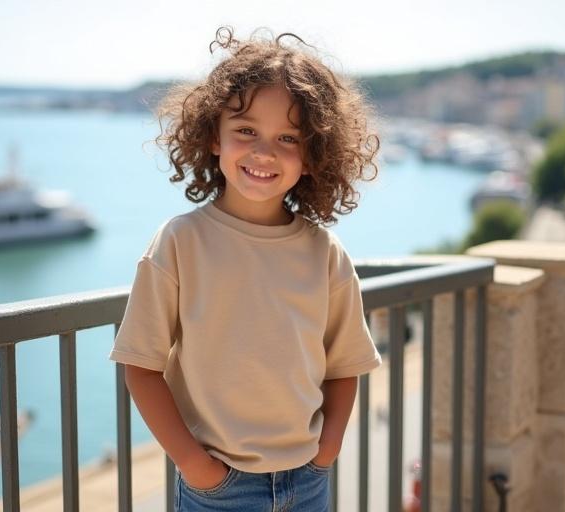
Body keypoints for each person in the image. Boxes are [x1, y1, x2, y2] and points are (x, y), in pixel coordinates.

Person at [108, 26, 382, 511]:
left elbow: (345, 366)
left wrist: (328, 450)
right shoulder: (180, 242)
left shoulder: (326, 253)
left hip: (308, 481)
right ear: (214, 138)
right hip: (219, 488)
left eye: (288, 138)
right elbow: (140, 365)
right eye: (246, 131)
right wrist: (196, 466)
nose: (263, 151)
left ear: (313, 156)